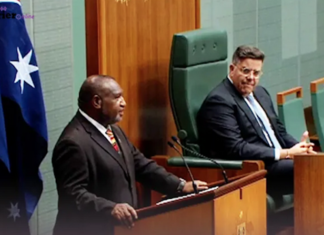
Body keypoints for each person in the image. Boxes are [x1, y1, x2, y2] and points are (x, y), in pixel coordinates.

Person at [52, 75, 208, 235]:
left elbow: (142, 166)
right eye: (117, 97)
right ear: (97, 102)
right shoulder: (73, 143)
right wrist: (111, 209)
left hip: (121, 229)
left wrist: (180, 186)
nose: (124, 103)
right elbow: (73, 195)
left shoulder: (114, 130)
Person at [197, 45, 316, 197]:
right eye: (245, 71)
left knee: (316, 162)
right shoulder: (219, 101)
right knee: (313, 169)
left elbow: (279, 131)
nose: (251, 78)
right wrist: (285, 153)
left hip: (279, 161)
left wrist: (300, 149)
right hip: (256, 170)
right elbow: (236, 148)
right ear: (232, 69)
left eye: (256, 73)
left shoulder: (261, 92)